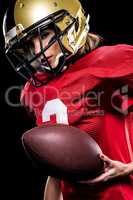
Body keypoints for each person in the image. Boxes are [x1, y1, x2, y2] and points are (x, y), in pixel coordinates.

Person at [3, 0, 133, 199]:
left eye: (44, 35)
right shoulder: (33, 91)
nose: (37, 50)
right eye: (29, 43)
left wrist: (129, 167)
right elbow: (57, 172)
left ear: (69, 26)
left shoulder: (111, 61)